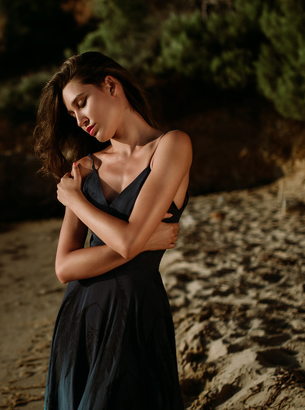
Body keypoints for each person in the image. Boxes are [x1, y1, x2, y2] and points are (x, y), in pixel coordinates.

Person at [34, 51, 191, 409]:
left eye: (82, 103)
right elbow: (64, 268)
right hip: (81, 321)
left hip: (137, 317)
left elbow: (128, 240)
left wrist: (77, 203)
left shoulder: (171, 146)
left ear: (110, 85)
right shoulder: (85, 167)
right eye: (72, 114)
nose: (79, 120)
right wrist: (143, 240)